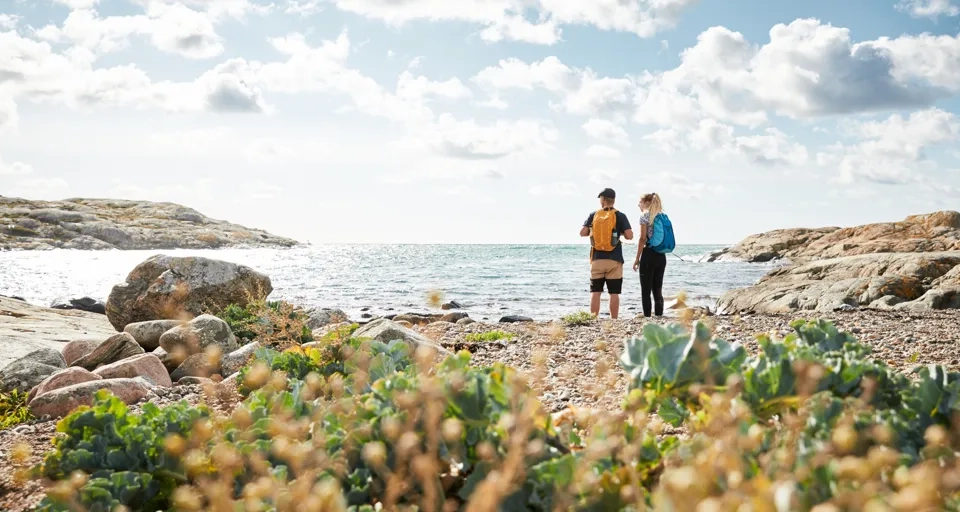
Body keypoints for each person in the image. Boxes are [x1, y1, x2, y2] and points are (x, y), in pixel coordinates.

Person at [580, 188, 633, 319]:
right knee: (614, 293)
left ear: (603, 200)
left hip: (597, 259)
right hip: (614, 259)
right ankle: (614, 320)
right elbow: (629, 236)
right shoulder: (620, 215)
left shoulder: (594, 215)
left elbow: (582, 233)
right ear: (614, 200)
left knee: (595, 291)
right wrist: (617, 233)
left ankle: (593, 319)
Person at [632, 192, 667, 317]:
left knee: (645, 290)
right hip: (661, 255)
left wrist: (637, 259)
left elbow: (642, 239)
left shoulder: (644, 216)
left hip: (648, 255)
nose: (638, 205)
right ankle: (659, 316)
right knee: (658, 289)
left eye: (640, 202)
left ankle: (647, 317)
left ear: (646, 203)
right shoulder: (662, 216)